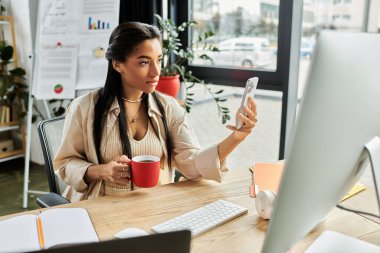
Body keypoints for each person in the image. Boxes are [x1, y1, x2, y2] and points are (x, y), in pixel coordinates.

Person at [53, 22, 258, 202]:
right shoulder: (85, 107)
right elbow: (65, 164)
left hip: (153, 206)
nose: (156, 71)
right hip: (99, 206)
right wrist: (102, 171)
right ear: (117, 64)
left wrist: (237, 136)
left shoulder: (169, 108)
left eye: (158, 60)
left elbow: (192, 164)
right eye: (144, 62)